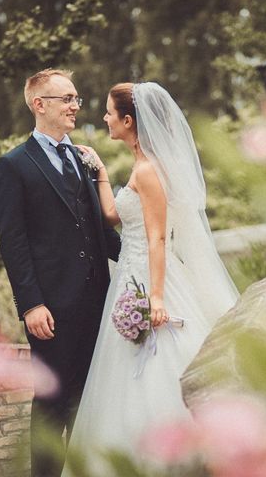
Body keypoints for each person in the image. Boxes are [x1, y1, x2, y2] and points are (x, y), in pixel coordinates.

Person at [61, 82, 239, 474]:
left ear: (128, 121)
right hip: (129, 276)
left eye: (110, 113)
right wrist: (101, 172)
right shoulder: (138, 169)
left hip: (150, 280)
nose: (104, 118)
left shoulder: (149, 171)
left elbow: (158, 237)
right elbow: (115, 217)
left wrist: (156, 298)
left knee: (159, 367)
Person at [0, 68, 121, 477]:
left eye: (77, 98)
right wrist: (31, 304)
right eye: (66, 98)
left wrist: (143, 255)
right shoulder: (13, 166)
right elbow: (14, 242)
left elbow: (99, 228)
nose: (75, 106)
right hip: (51, 311)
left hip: (98, 302)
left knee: (93, 402)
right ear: (39, 104)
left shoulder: (83, 158)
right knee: (52, 405)